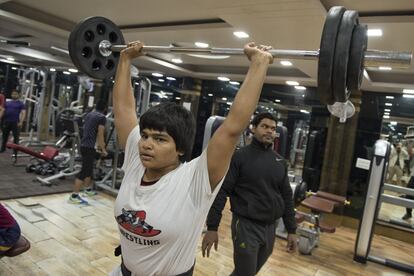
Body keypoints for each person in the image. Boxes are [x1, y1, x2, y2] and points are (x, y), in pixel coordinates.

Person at [109, 41, 273, 276]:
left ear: (180, 149)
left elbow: (232, 128)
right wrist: (125, 60)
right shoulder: (137, 161)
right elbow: (124, 109)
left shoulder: (195, 179)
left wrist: (259, 64)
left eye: (160, 139)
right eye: (145, 135)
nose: (146, 144)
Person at [201, 113, 297, 276]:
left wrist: (291, 230)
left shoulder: (280, 162)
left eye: (273, 129)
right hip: (246, 226)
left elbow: (287, 196)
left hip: (270, 228)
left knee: (246, 272)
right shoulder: (240, 157)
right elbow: (222, 192)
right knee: (246, 272)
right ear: (253, 128)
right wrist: (212, 227)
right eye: (264, 126)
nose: (269, 131)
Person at [68, 100, 107, 204]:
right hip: (90, 147)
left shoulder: (89, 114)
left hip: (84, 145)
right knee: (84, 171)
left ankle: (87, 189)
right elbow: (100, 133)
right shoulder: (102, 117)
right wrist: (103, 149)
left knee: (89, 169)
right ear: (105, 109)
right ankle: (74, 196)